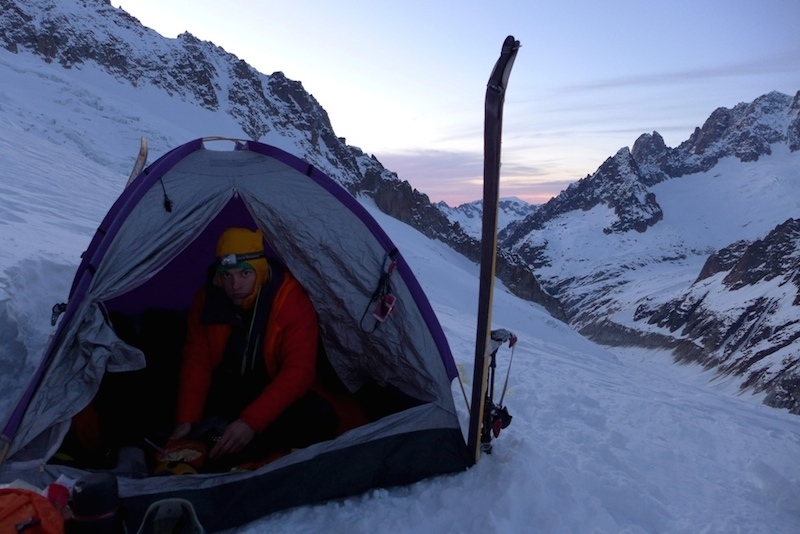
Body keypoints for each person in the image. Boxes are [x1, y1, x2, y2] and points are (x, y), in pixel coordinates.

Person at [167, 227, 338, 471]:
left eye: (244, 273)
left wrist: (251, 422)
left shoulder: (290, 301)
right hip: (226, 384)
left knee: (319, 416)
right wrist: (186, 418)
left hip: (270, 388)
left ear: (258, 270)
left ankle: (238, 443)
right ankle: (220, 439)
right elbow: (197, 360)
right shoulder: (207, 300)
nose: (235, 285)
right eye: (227, 275)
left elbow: (298, 372)